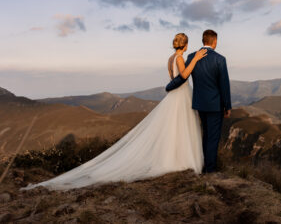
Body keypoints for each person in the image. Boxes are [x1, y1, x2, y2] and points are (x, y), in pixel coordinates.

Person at [22, 33, 207, 190]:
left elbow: (172, 76)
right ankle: (179, 160)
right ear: (186, 45)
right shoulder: (180, 58)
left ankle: (174, 157)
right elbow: (183, 76)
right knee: (182, 126)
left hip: (175, 95)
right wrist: (196, 59)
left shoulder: (170, 58)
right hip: (181, 95)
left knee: (174, 126)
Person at [166, 29, 232, 173]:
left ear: (203, 41)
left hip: (199, 104)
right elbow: (224, 85)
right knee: (213, 138)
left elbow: (182, 77)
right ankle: (210, 169)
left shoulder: (191, 56)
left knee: (205, 135)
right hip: (215, 105)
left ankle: (203, 163)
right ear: (215, 42)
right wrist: (227, 105)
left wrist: (169, 86)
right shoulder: (220, 59)